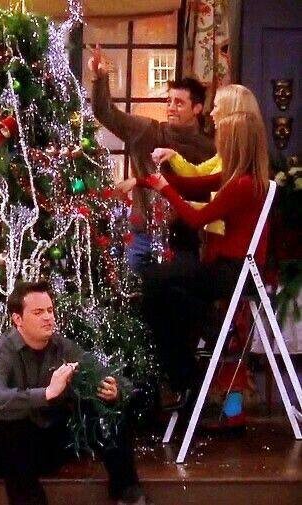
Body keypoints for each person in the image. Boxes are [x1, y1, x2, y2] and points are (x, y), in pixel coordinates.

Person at [128, 85, 270, 409]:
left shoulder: (242, 183)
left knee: (152, 284)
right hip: (224, 269)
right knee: (163, 295)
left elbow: (195, 218)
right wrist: (149, 179)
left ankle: (190, 373)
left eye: (218, 111)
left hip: (233, 272)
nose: (212, 116)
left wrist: (163, 188)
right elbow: (191, 185)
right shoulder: (237, 176)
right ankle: (195, 363)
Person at [0, 281, 151, 505]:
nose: (48, 318)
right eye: (38, 312)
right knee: (11, 430)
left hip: (42, 442)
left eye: (50, 310)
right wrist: (46, 393)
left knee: (105, 408)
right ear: (18, 319)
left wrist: (115, 390)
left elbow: (107, 374)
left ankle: (128, 493)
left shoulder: (63, 347)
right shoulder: (0, 352)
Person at [88, 45, 216, 269]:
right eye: (169, 101)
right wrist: (100, 79)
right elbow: (106, 113)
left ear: (197, 108)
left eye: (179, 103)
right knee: (136, 288)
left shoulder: (209, 148)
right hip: (143, 237)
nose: (171, 108)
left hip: (184, 239)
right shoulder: (148, 131)